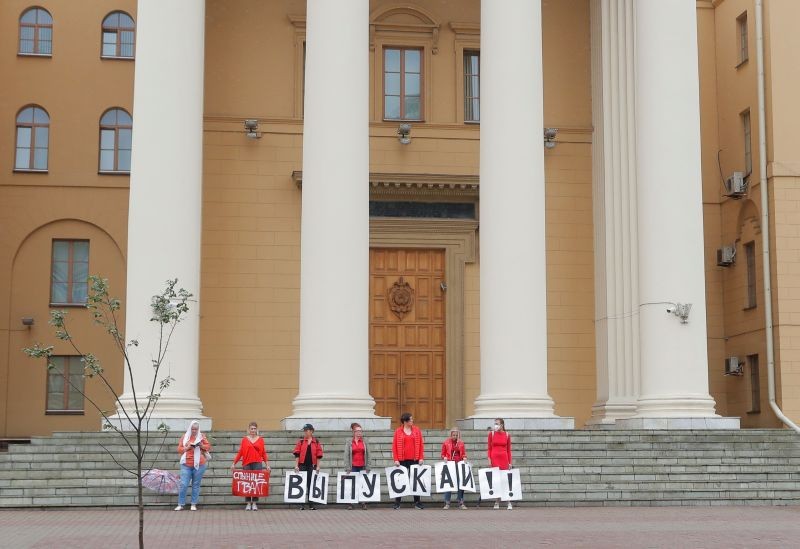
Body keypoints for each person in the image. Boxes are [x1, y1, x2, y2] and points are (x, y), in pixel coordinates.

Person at [231, 421, 270, 511]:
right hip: (246, 463)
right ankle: (248, 503)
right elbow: (240, 452)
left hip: (257, 463)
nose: (253, 430)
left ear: (257, 429)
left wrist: (267, 464)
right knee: (247, 483)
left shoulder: (260, 439)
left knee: (256, 483)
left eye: (254, 428)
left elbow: (263, 453)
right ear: (249, 430)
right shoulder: (245, 439)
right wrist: (234, 463)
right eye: (251, 428)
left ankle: (255, 503)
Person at [175, 420, 212, 511]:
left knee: (196, 484)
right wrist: (187, 448)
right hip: (186, 464)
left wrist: (201, 445)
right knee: (183, 484)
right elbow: (179, 449)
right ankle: (180, 504)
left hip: (199, 464)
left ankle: (193, 504)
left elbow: (208, 447)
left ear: (198, 429)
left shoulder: (202, 436)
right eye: (192, 429)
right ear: (190, 428)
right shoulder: (185, 437)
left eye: (196, 429)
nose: (194, 431)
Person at [391, 412, 425, 510]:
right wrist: (396, 459)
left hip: (414, 459)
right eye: (410, 419)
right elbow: (394, 446)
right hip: (402, 460)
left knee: (415, 481)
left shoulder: (417, 430)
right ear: (405, 421)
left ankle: (417, 502)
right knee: (400, 480)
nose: (412, 421)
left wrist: (421, 457)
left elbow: (421, 445)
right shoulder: (398, 431)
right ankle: (397, 502)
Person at [293, 423, 323, 510]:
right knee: (302, 484)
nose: (305, 432)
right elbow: (297, 454)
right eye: (304, 431)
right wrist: (296, 465)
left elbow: (319, 455)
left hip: (312, 465)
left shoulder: (316, 442)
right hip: (302, 465)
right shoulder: (301, 441)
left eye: (307, 430)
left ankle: (311, 504)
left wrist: (318, 466)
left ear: (311, 431)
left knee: (311, 484)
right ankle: (301, 504)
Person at [343, 422, 370, 510]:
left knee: (362, 484)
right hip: (353, 466)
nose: (359, 433)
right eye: (357, 431)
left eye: (360, 431)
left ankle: (363, 502)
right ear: (354, 432)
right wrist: (347, 467)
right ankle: (350, 503)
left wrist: (368, 466)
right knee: (352, 484)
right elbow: (346, 455)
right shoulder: (349, 442)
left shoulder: (365, 441)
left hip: (362, 465)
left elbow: (368, 454)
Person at [487, 417, 513, 510]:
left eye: (497, 423)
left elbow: (509, 450)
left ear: (502, 425)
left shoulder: (507, 434)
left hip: (504, 458)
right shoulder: (492, 434)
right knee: (496, 481)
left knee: (505, 480)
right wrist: (489, 459)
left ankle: (508, 501)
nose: (496, 425)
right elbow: (489, 448)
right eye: (495, 423)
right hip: (494, 458)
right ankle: (497, 501)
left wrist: (510, 462)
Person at [440, 426, 467, 510]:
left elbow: (463, 454)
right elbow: (442, 454)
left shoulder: (461, 443)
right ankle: (447, 502)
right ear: (450, 435)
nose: (455, 437)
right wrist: (444, 457)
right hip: (450, 464)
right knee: (449, 483)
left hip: (459, 464)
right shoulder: (446, 442)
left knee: (460, 483)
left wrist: (465, 458)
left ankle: (460, 501)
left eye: (456, 435)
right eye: (453, 435)